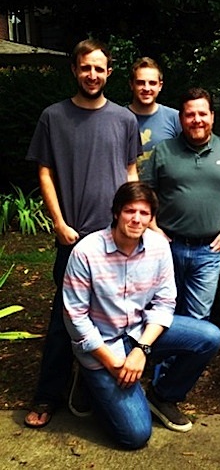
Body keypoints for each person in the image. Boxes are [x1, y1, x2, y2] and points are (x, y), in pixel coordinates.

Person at [24, 39, 141, 429]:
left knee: (122, 314)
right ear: (74, 70)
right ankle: (48, 394)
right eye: (85, 68)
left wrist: (142, 221)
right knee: (64, 320)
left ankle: (103, 383)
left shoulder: (124, 119)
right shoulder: (53, 118)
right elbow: (45, 172)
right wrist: (58, 223)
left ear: (109, 73)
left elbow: (130, 173)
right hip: (73, 239)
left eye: (99, 68)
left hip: (117, 238)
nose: (92, 75)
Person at [62, 181, 220, 449]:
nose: (136, 219)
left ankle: (163, 395)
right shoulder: (86, 251)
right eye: (129, 211)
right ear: (116, 213)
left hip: (138, 333)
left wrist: (140, 350)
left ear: (151, 218)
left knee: (209, 337)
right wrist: (112, 364)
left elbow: (165, 302)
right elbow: (75, 317)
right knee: (135, 436)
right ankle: (91, 383)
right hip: (101, 346)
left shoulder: (159, 247)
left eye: (144, 213)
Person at [147, 87, 220, 320]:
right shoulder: (163, 151)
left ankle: (189, 358)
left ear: (212, 117)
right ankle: (164, 358)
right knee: (164, 313)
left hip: (209, 250)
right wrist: (154, 229)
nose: (197, 120)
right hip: (168, 247)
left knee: (198, 318)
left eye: (202, 114)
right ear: (181, 118)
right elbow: (144, 193)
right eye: (190, 115)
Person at [127, 57, 181, 180]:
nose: (146, 88)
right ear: (131, 84)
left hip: (166, 195)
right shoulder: (119, 119)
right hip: (130, 194)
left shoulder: (175, 118)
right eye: (140, 82)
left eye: (152, 83)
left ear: (160, 86)